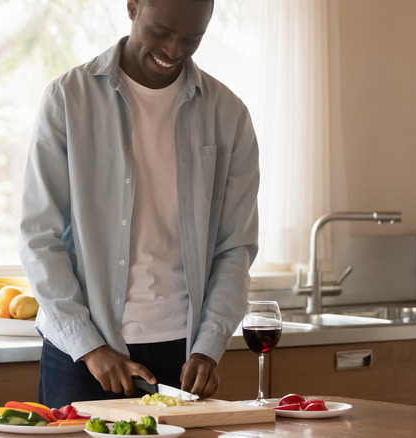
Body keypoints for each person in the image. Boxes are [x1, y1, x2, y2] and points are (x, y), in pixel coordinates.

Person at [19, 0, 259, 408]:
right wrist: (89, 346)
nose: (173, 50)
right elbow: (39, 238)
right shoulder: (67, 99)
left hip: (183, 356)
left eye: (191, 39)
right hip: (82, 354)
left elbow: (234, 247)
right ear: (132, 7)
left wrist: (210, 345)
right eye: (162, 32)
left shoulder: (229, 114)